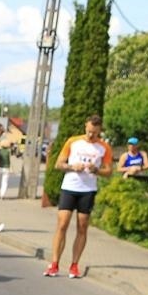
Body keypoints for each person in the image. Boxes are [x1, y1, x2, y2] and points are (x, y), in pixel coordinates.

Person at [46, 114, 112, 279]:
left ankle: (74, 264)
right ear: (85, 126)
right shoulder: (73, 141)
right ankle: (54, 263)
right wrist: (72, 166)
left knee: (82, 227)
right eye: (89, 131)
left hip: (88, 190)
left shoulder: (104, 147)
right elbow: (58, 164)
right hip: (70, 187)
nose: (91, 135)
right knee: (62, 224)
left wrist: (96, 170)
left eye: (94, 133)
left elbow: (109, 171)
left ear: (99, 131)